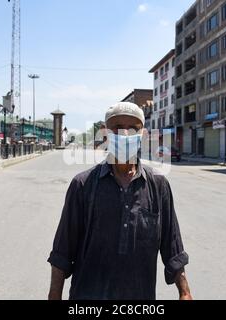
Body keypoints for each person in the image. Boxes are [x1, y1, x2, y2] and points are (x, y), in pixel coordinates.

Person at [47, 102, 192, 300]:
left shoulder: (159, 186)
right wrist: (54, 295)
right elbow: (63, 250)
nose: (124, 134)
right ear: (106, 134)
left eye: (133, 128)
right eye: (117, 128)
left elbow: (172, 245)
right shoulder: (82, 185)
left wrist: (184, 291)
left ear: (143, 135)